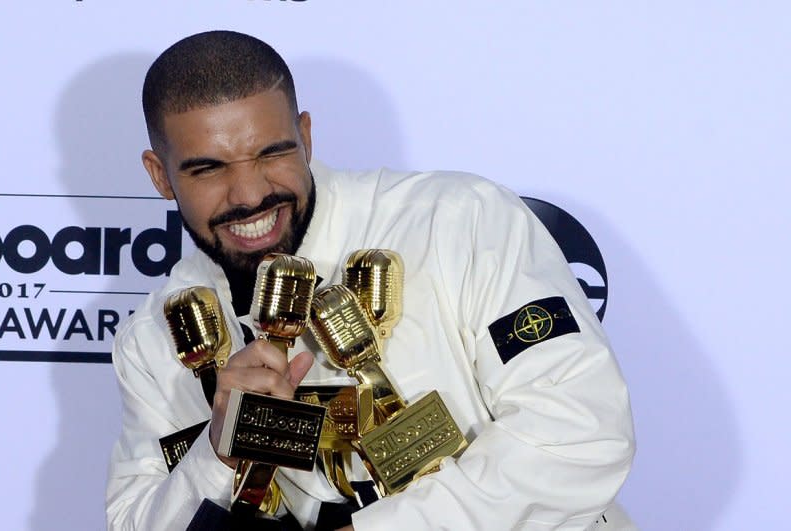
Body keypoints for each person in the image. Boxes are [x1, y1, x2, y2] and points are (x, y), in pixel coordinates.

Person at [106, 30, 635, 530]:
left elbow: (579, 433)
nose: (248, 193)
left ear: (306, 136)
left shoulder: (457, 222)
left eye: (273, 152)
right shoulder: (157, 338)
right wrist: (217, 454)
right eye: (208, 169)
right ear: (160, 175)